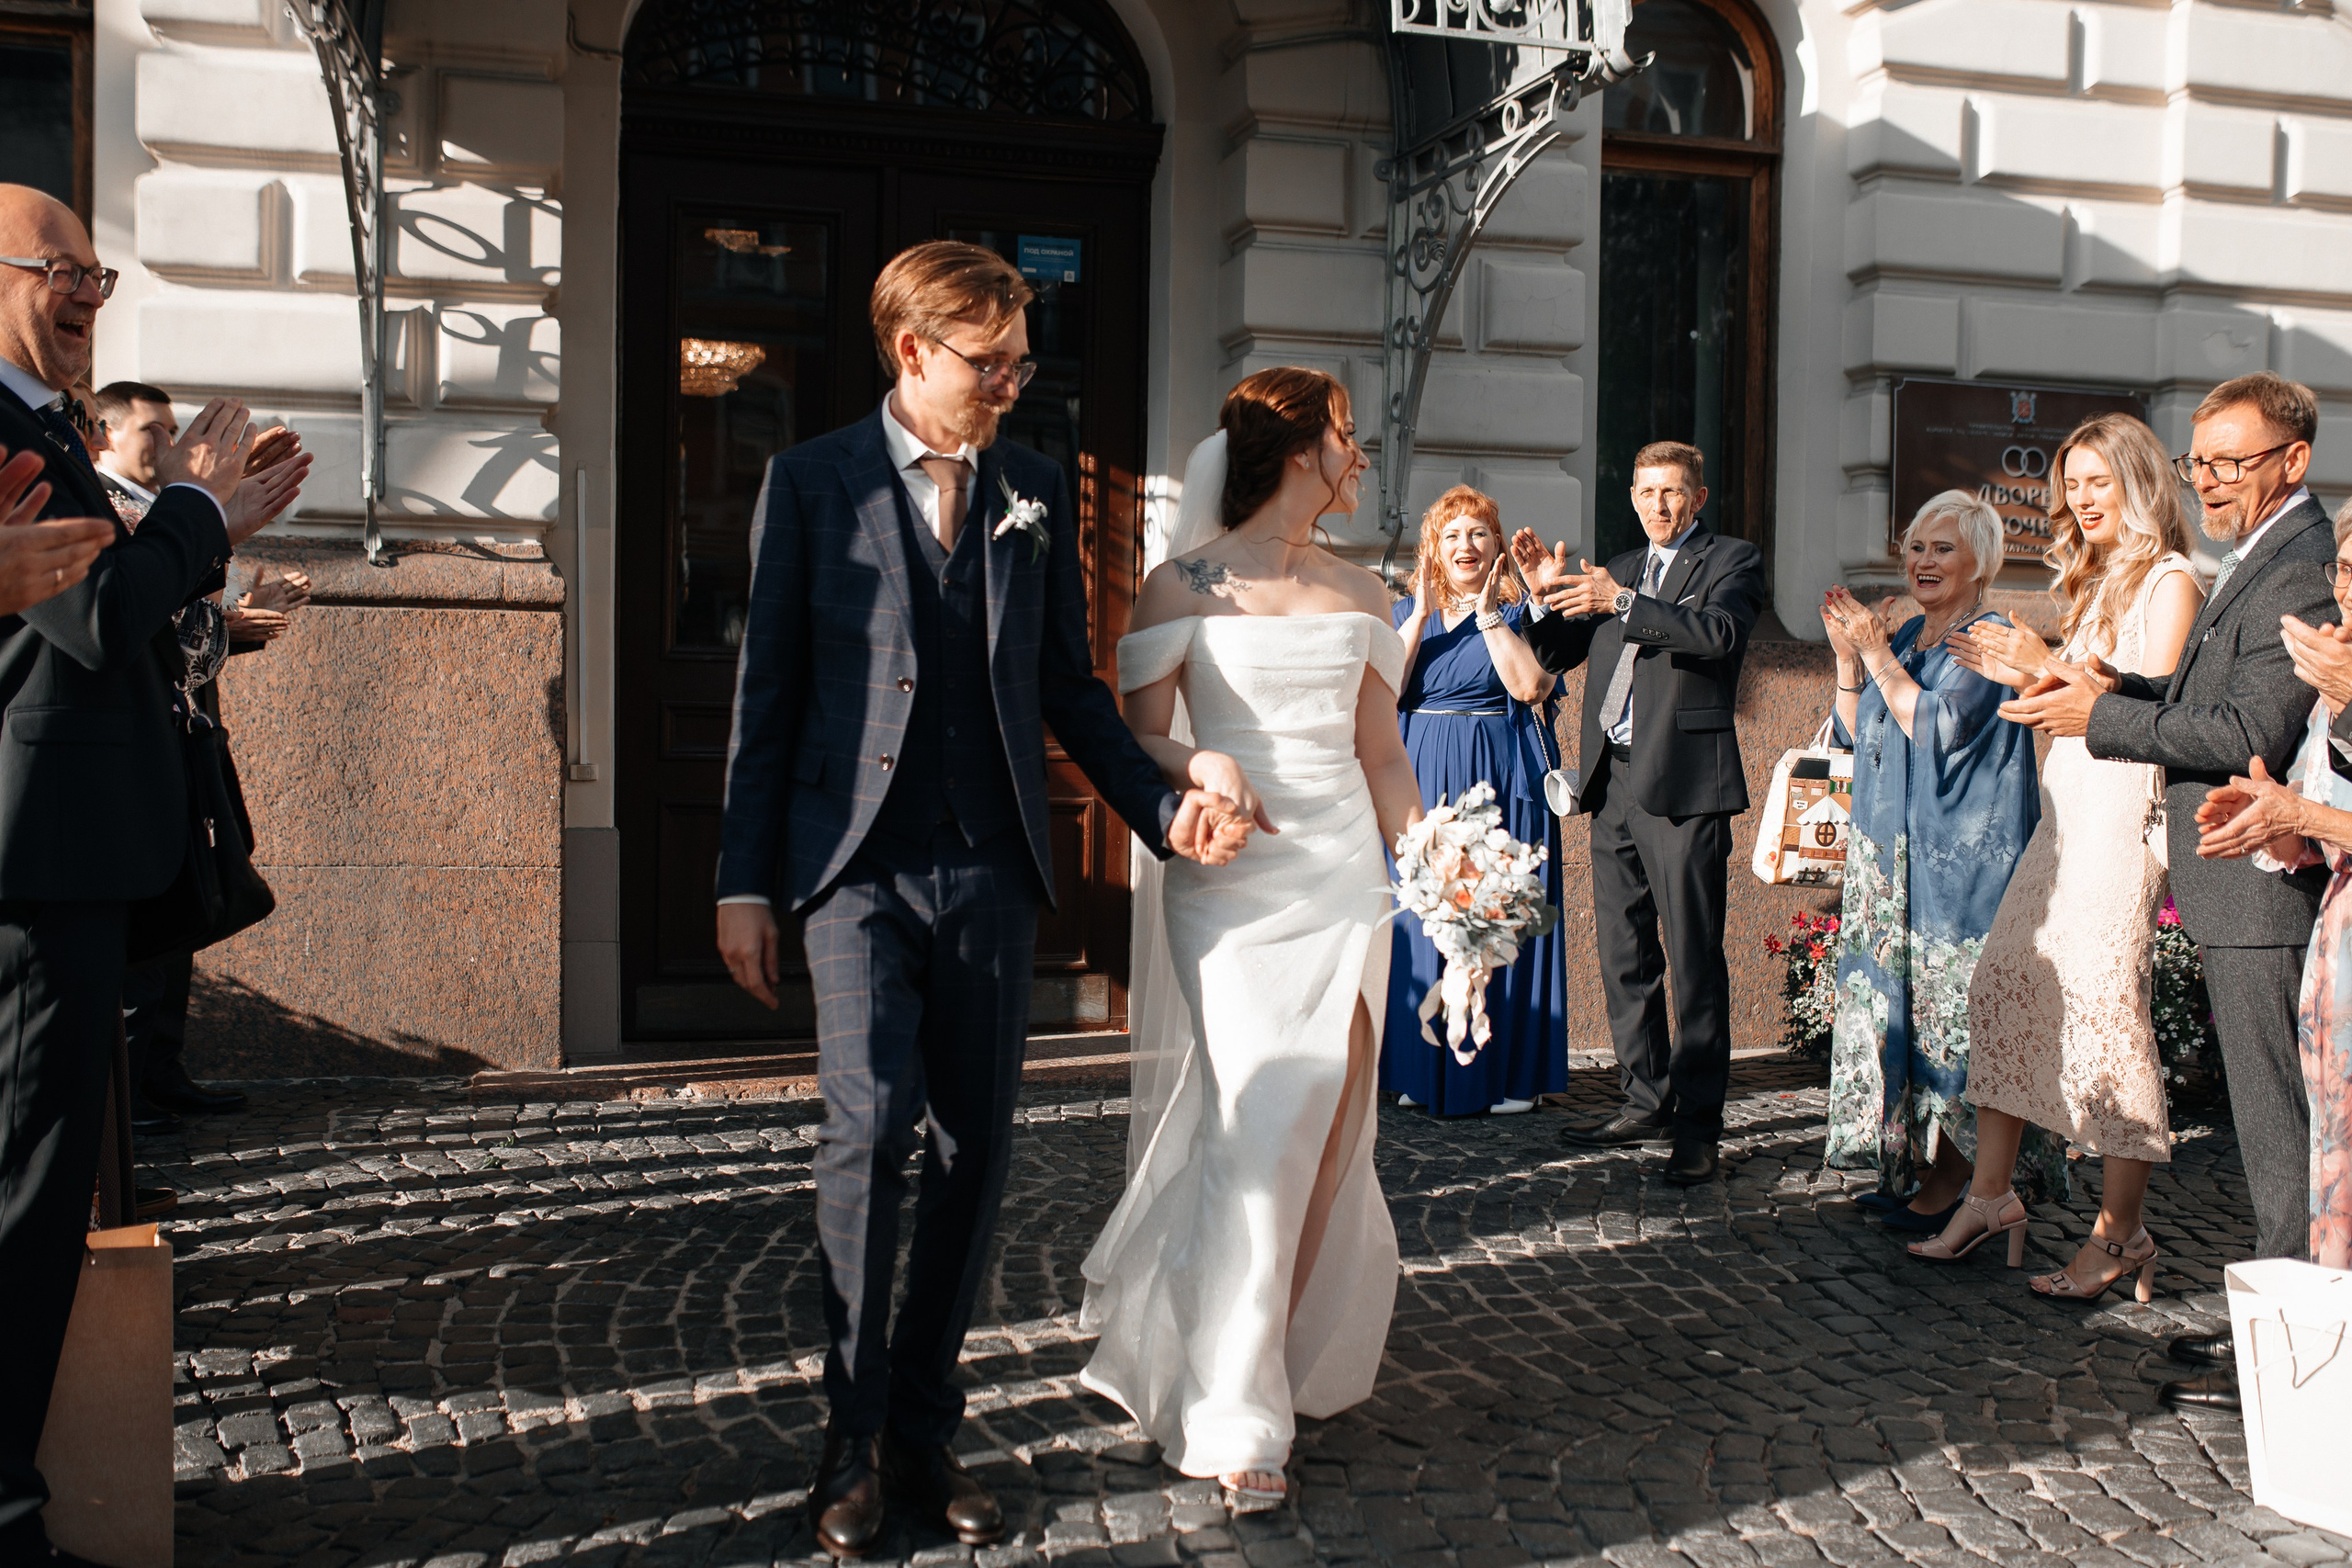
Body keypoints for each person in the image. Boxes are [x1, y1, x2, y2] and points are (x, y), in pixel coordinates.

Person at [711, 240, 1250, 1560]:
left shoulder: (1029, 486)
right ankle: (845, 1438)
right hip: (851, 870)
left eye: (1021, 357)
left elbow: (1067, 684)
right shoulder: (812, 479)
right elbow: (766, 694)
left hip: (991, 870)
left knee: (974, 1148)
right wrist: (742, 879)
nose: (1013, 381)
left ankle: (923, 1430)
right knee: (871, 1130)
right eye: (989, 360)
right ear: (913, 352)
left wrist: (1158, 806)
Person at [0, 182, 293, 1568]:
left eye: (99, 275)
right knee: (23, 1198)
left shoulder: (41, 426)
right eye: (64, 269)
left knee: (48, 1195)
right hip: (31, 863)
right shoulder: (7, 428)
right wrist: (198, 509)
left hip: (69, 854)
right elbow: (99, 614)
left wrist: (199, 522)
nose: (90, 295)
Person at [1079, 367, 1419, 1511]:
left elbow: (1380, 758)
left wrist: (1440, 868)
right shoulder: (1182, 587)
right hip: (1230, 884)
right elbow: (1138, 744)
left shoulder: (1362, 589)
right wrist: (1202, 766)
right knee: (1256, 1128)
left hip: (1339, 881)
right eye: (1346, 438)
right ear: (1300, 451)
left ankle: (1256, 1355)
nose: (1358, 458)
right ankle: (1233, 1412)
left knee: (1325, 1136)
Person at [2000, 372, 2334, 1413]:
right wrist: (2109, 691)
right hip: (2235, 885)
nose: (2211, 482)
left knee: (2282, 1137)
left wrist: (2096, 722)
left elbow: (2245, 733)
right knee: (2269, 1130)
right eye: (2201, 462)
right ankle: (2280, 1329)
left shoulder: (2302, 564)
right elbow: (2199, 697)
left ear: (2293, 460)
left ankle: (2292, 1354)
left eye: (2231, 463)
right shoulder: (2263, 552)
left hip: (2263, 892)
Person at [1909, 416, 2203, 1295]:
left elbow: (2146, 710)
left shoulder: (2171, 580)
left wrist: (2040, 666)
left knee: (2111, 1013)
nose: (2080, 497)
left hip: (2121, 818)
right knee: (2001, 980)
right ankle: (1992, 1195)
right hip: (2065, 812)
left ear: (2139, 482)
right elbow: (2065, 698)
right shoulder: (2096, 579)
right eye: (2071, 482)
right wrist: (2024, 685)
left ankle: (2123, 1235)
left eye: (2098, 481)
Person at [1508, 441, 1768, 1185]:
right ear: (1631, 495)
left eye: (1673, 492)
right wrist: (1539, 594)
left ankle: (1698, 1125)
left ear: (1699, 497)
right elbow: (1558, 650)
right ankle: (1643, 1096)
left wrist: (1620, 601)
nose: (1659, 504)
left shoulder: (1731, 560)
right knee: (1624, 952)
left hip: (1685, 784)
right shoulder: (1618, 565)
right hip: (1611, 780)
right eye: (1647, 490)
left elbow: (1716, 637)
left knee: (1693, 959)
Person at [1815, 491, 2050, 1233]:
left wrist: (1878, 653)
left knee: (1954, 1023)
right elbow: (1867, 734)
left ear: (1981, 561)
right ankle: (1918, 1162)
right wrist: (1851, 661)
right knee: (1903, 1014)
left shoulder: (1987, 640)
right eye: (1916, 547)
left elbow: (1938, 726)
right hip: (1894, 864)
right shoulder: (1914, 633)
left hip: (1962, 873)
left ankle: (1963, 1179)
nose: (1923, 561)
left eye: (1943, 549)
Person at [87, 379, 311, 1132]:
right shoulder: (107, 509)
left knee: (182, 907)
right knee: (141, 933)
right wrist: (229, 622)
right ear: (107, 437)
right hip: (130, 749)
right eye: (153, 431)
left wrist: (234, 589)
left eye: (174, 427)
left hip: (181, 738)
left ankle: (157, 1069)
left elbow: (186, 635)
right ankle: (126, 1094)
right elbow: (145, 633)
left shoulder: (161, 515)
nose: (172, 442)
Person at [2195, 502, 2352, 1276]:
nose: (2347, 596)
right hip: (2337, 945)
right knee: (2331, 1157)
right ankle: (2316, 1343)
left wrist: (2301, 811)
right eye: (2346, 573)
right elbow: (2322, 832)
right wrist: (2274, 824)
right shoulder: (2336, 687)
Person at [1384, 485, 1565, 1116]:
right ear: (1433, 547)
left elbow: (1529, 687)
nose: (1465, 545)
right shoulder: (1408, 609)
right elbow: (1387, 691)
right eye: (1451, 534)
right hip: (1421, 779)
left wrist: (1488, 614)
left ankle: (1508, 1074)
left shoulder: (1521, 613)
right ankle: (1419, 1064)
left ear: (1496, 546)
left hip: (1497, 780)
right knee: (1423, 922)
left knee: (1495, 919)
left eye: (1478, 533)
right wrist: (1420, 613)